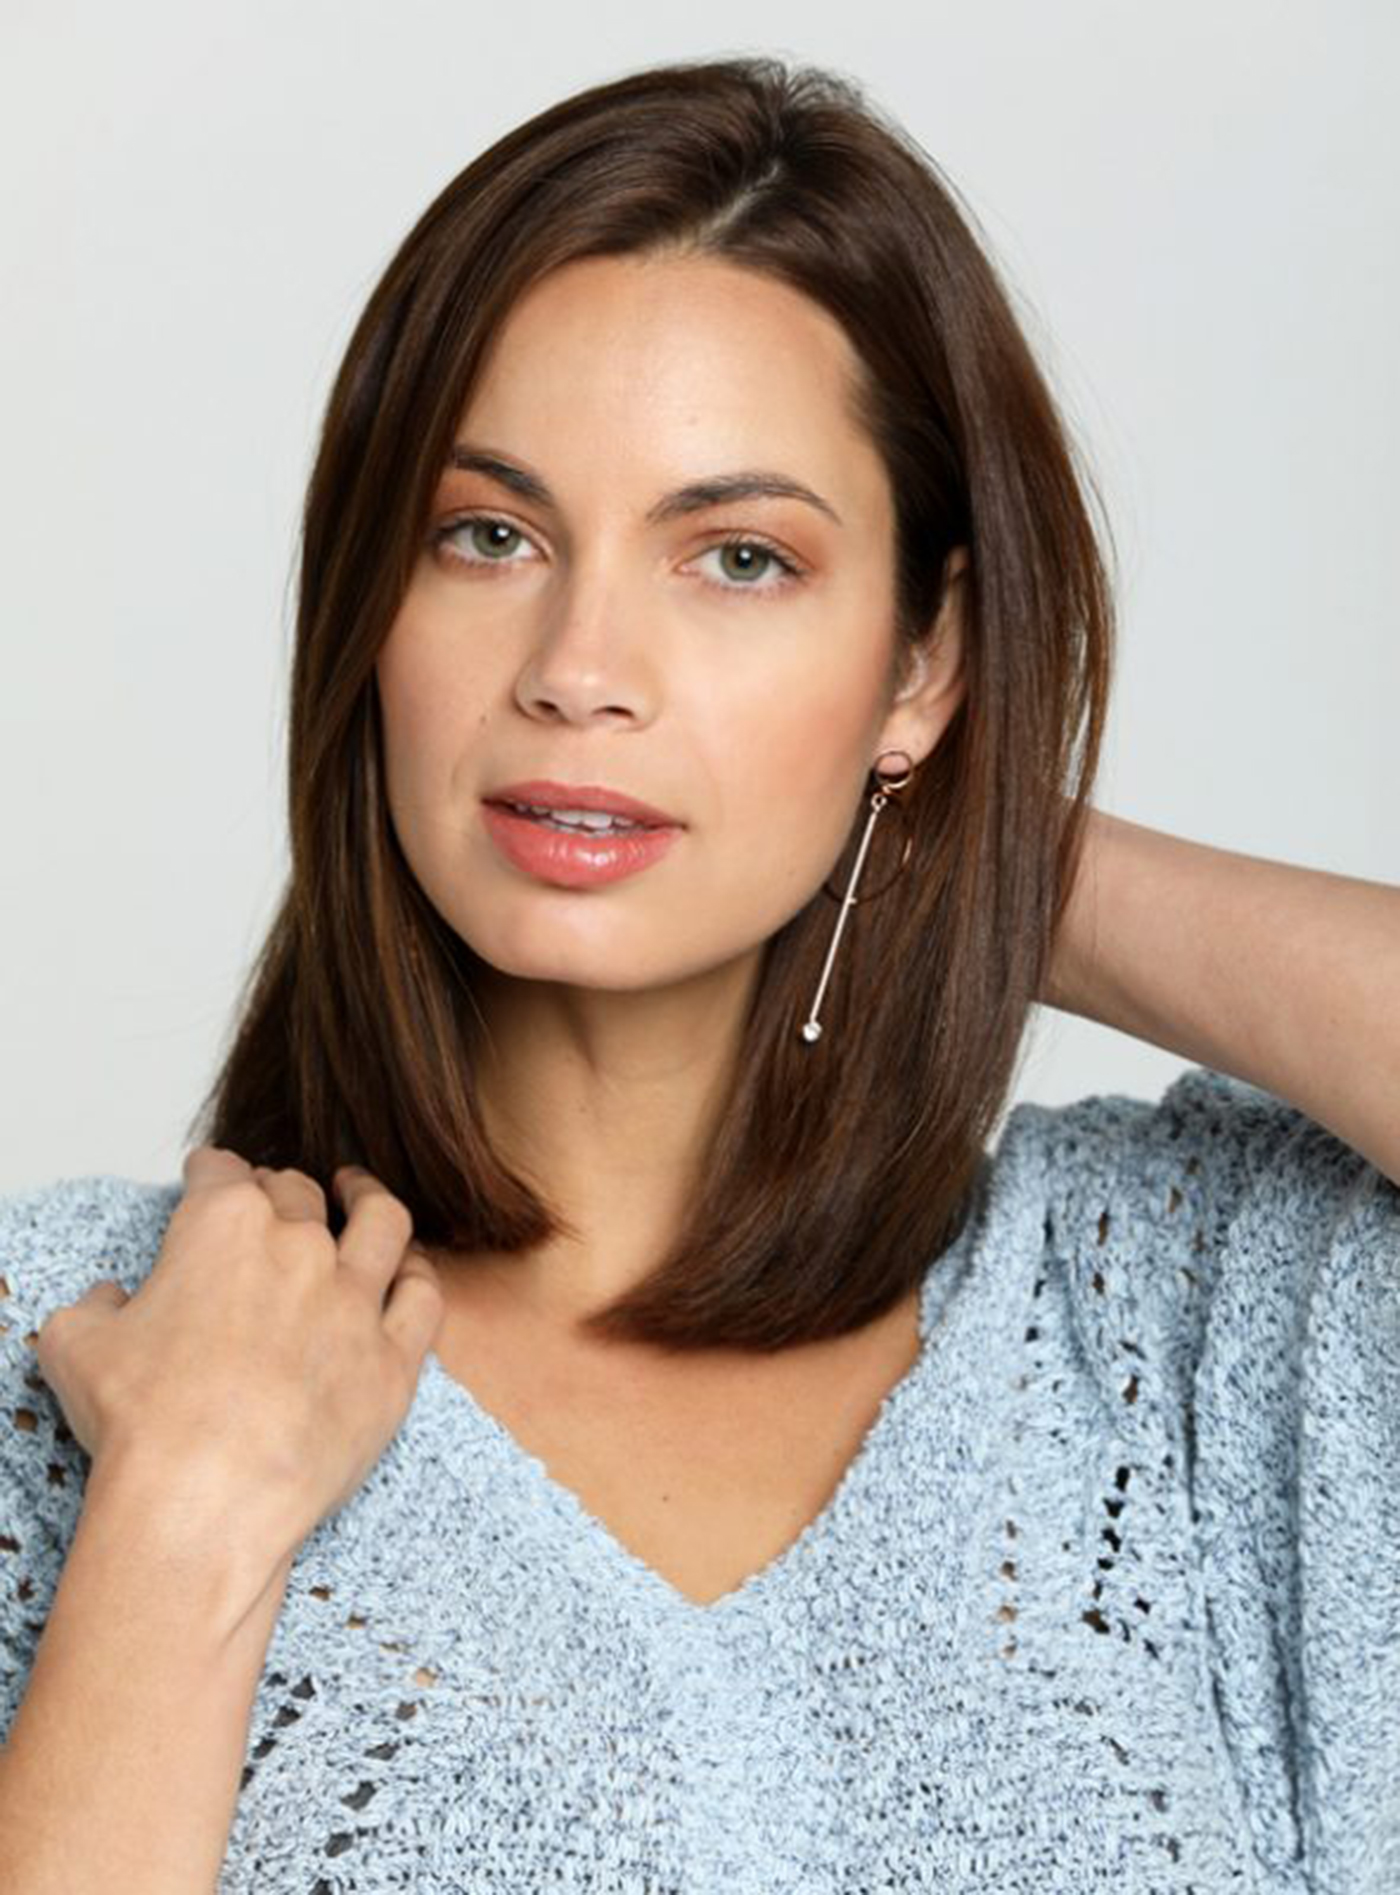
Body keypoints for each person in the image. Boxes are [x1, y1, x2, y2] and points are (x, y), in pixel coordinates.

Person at [1, 52, 1396, 1895]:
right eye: (489, 536)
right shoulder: (86, 1344)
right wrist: (183, 1511)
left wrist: (976, 842)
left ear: (923, 657)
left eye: (738, 558)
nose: (579, 668)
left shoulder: (1175, 1318)